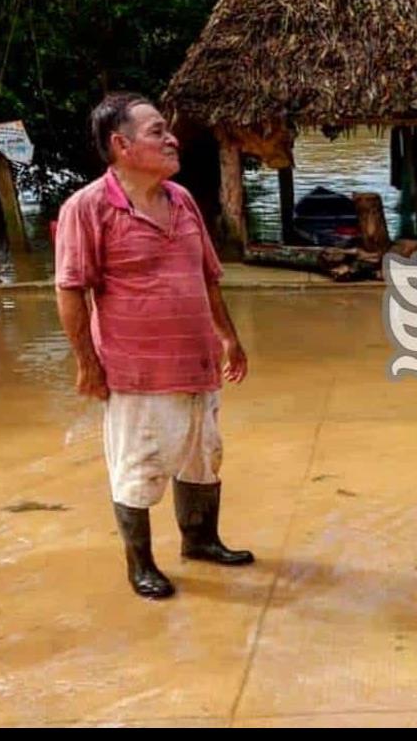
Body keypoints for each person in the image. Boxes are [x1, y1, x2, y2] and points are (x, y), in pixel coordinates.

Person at [54, 93, 254, 599]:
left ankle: (201, 542)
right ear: (121, 145)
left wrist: (229, 338)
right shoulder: (88, 208)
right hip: (135, 373)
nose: (172, 139)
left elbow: (207, 278)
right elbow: (71, 289)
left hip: (199, 364)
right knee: (137, 468)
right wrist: (87, 364)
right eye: (157, 131)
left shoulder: (182, 199)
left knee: (204, 457)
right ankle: (139, 564)